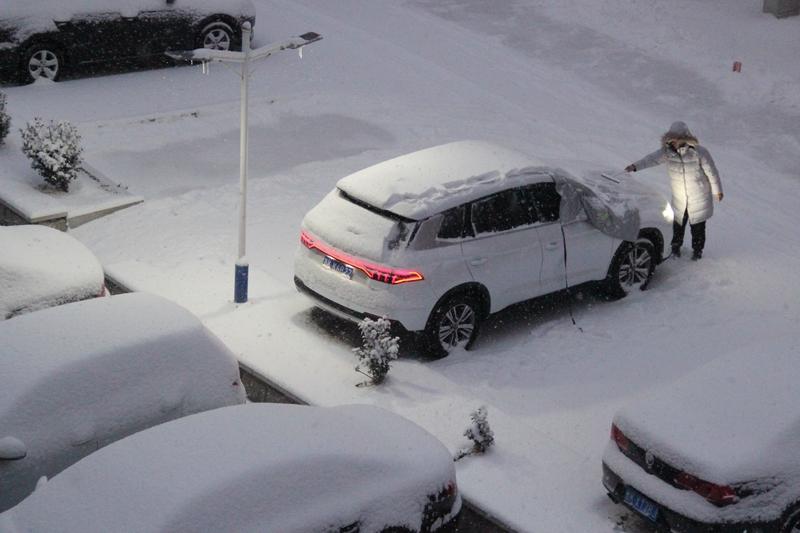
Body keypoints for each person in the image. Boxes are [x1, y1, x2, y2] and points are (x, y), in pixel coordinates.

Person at [625, 121, 723, 260]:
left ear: (684, 138)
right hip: (680, 198)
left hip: (699, 197)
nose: (673, 143)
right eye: (671, 140)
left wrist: (717, 191)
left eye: (676, 139)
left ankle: (697, 252)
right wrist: (635, 166)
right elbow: (651, 159)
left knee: (698, 228)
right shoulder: (667, 153)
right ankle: (675, 249)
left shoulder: (699, 152)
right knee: (677, 226)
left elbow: (712, 172)